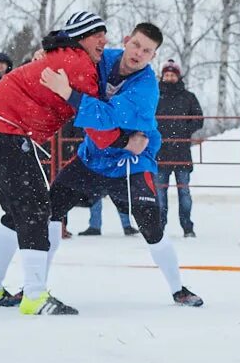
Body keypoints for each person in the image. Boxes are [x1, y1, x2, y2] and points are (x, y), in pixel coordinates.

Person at [38, 22, 204, 309]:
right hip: (93, 157)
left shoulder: (147, 88)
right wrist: (47, 53)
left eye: (147, 50)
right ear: (127, 40)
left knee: (151, 225)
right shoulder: (105, 57)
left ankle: (178, 289)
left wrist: (71, 95)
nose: (139, 53)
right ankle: (35, 286)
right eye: (136, 45)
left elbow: (106, 118)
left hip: (132, 162)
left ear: (153, 56)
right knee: (51, 209)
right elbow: (74, 55)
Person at [0, 11, 106, 313]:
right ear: (81, 37)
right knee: (36, 207)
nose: (103, 40)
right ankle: (35, 296)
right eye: (97, 34)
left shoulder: (67, 56)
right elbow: (98, 110)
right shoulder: (78, 63)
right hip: (0, 130)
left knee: (19, 210)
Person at [155, 58, 203, 237]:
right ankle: (159, 227)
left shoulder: (188, 97)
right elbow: (147, 118)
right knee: (160, 193)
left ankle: (187, 227)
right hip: (160, 152)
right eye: (166, 74)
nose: (169, 77)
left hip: (182, 152)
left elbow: (198, 119)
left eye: (172, 74)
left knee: (184, 192)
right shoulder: (155, 95)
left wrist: (184, 132)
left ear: (178, 76)